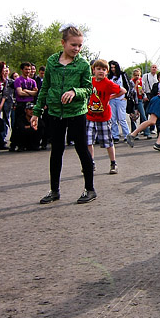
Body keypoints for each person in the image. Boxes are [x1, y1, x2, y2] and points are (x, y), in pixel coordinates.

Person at [33, 25, 95, 205]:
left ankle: (90, 189)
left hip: (76, 113)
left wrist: (75, 91)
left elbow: (89, 89)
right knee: (56, 151)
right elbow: (45, 88)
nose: (77, 49)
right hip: (54, 113)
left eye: (80, 45)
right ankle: (54, 191)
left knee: (82, 150)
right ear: (63, 43)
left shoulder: (83, 64)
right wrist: (37, 112)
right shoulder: (52, 62)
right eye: (73, 45)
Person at [86, 59, 126, 175]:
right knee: (88, 141)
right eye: (98, 69)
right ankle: (90, 163)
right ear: (93, 70)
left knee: (108, 141)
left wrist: (111, 97)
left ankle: (113, 163)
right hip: (90, 116)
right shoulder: (90, 81)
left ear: (107, 71)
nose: (101, 71)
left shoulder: (108, 83)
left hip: (103, 117)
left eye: (104, 69)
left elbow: (123, 90)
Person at [10, 62, 39, 151]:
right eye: (26, 69)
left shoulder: (32, 81)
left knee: (31, 124)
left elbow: (36, 93)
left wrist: (26, 91)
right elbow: (19, 93)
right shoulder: (18, 80)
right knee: (19, 125)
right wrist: (30, 92)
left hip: (30, 104)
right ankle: (17, 144)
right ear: (22, 70)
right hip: (21, 105)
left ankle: (30, 144)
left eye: (29, 69)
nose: (28, 71)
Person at [107, 60, 131, 143]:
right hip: (112, 99)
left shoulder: (123, 75)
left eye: (114, 67)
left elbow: (128, 86)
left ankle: (127, 135)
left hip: (121, 98)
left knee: (122, 118)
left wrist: (126, 97)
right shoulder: (109, 76)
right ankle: (115, 136)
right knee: (113, 118)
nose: (113, 69)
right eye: (111, 68)